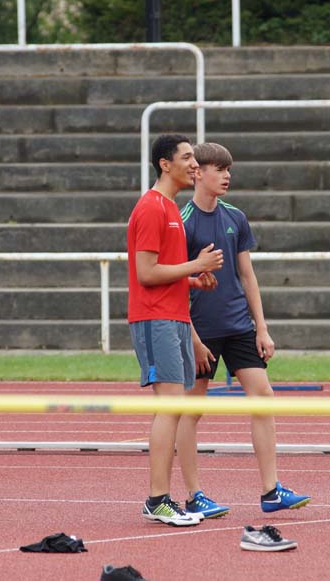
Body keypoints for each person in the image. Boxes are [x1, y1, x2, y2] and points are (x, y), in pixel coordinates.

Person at [175, 141, 311, 519]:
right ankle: (193, 495)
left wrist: (261, 329)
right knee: (191, 411)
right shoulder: (183, 222)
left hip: (239, 326)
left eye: (228, 169)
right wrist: (193, 338)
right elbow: (174, 285)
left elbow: (247, 275)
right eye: (219, 169)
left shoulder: (235, 217)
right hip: (201, 329)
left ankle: (271, 490)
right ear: (198, 173)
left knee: (262, 397)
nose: (227, 176)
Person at [127, 133, 223, 527]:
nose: (194, 164)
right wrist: (195, 266)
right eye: (186, 158)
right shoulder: (151, 208)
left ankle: (162, 499)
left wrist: (191, 280)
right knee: (169, 406)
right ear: (165, 164)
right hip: (155, 319)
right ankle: (157, 499)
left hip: (175, 318)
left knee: (175, 406)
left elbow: (164, 271)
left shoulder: (170, 208)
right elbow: (146, 273)